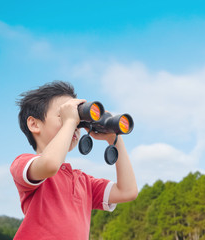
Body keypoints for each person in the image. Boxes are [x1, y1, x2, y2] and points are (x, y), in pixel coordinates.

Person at [10, 81, 138, 239]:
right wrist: (70, 121)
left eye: (78, 120)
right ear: (34, 123)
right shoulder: (23, 163)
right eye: (62, 115)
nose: (75, 125)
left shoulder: (84, 182)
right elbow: (50, 165)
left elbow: (128, 191)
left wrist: (114, 138)